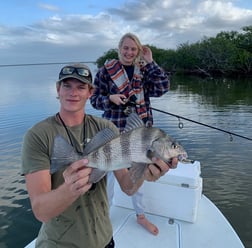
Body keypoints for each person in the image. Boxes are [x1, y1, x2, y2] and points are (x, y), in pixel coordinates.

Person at [21, 63, 177, 248]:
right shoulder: (38, 135)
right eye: (67, 86)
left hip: (104, 240)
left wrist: (144, 170)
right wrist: (69, 189)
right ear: (58, 89)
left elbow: (128, 188)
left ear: (90, 92)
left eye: (81, 87)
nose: (73, 93)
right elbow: (41, 212)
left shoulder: (106, 128)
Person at [90, 33, 170, 236]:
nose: (129, 52)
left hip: (141, 132)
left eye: (133, 49)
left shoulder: (143, 70)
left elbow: (162, 88)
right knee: (105, 174)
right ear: (119, 48)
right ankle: (103, 216)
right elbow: (94, 99)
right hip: (112, 130)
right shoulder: (105, 71)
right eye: (125, 48)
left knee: (139, 174)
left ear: (139, 51)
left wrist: (151, 62)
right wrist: (111, 98)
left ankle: (140, 216)